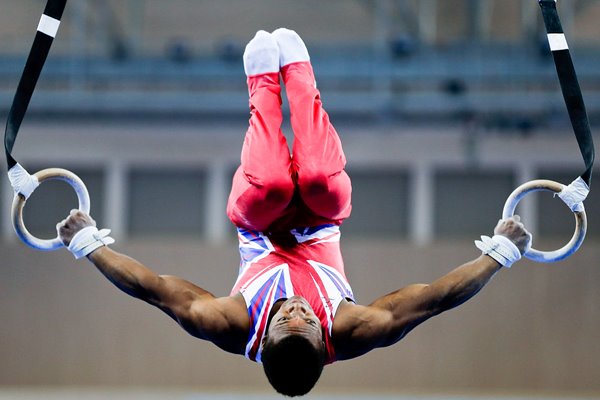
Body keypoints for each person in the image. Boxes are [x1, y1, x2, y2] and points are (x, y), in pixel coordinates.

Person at [57, 29, 532, 397]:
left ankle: (263, 82)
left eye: (287, 320)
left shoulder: (228, 324)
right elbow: (433, 299)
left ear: (263, 341)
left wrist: (89, 244)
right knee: (321, 182)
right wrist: (500, 254)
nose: (300, 312)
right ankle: (299, 74)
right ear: (324, 344)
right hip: (323, 220)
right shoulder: (352, 330)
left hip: (256, 221)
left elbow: (155, 291)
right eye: (309, 321)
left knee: (274, 186)